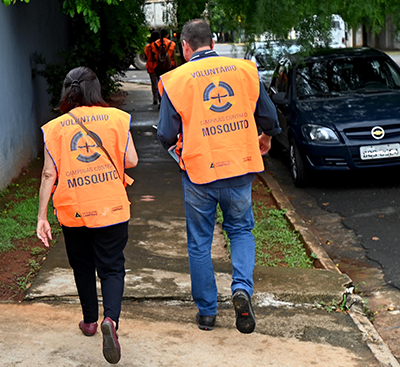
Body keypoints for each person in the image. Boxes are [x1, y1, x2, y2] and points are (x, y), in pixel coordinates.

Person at [157, 19, 281, 334]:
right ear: (212, 42)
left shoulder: (176, 79)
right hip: (239, 169)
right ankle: (241, 289)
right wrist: (265, 136)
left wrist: (179, 150)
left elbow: (165, 134)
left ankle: (207, 313)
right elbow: (269, 117)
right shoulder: (244, 70)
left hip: (200, 174)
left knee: (200, 241)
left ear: (185, 46)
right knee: (240, 231)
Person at [37, 66, 138, 364]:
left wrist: (42, 216)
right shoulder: (118, 119)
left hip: (74, 209)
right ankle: (112, 321)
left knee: (82, 265)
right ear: (96, 89)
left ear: (66, 91)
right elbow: (131, 159)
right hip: (111, 207)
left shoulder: (54, 128)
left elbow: (47, 174)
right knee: (111, 267)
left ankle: (90, 322)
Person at [144, 30, 160, 105]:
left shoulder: (147, 47)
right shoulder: (157, 46)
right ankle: (160, 98)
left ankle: (155, 98)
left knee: (154, 83)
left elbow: (146, 57)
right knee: (160, 82)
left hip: (150, 66)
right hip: (158, 66)